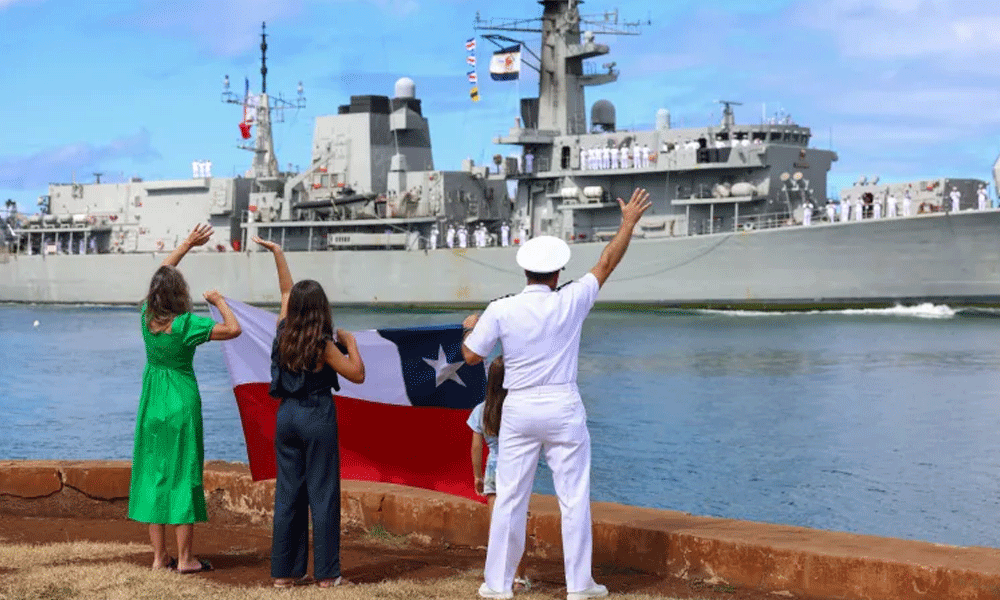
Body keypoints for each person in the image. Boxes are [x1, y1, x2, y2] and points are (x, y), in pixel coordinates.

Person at [462, 187, 652, 600]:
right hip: (563, 404)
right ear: (557, 273)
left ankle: (498, 585)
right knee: (573, 498)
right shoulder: (572, 299)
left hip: (520, 406)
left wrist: (470, 328)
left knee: (510, 498)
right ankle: (579, 585)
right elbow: (606, 262)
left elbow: (472, 357)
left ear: (525, 272)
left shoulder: (501, 309)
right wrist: (627, 224)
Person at [253, 236, 366, 589]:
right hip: (316, 415)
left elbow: (286, 293)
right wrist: (352, 343)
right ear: (321, 308)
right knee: (323, 493)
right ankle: (328, 575)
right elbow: (357, 375)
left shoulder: (283, 332)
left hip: (285, 416)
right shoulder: (323, 344)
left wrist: (278, 254)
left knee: (288, 494)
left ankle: (285, 573)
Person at [128, 224, 242, 573]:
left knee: (154, 475)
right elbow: (234, 329)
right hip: (181, 401)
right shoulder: (187, 324)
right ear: (180, 295)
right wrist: (220, 301)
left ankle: (159, 558)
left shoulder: (146, 316)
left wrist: (186, 244)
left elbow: (160, 275)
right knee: (184, 475)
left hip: (152, 403)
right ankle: (187, 559)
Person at [468, 356, 530, 591]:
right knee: (518, 525)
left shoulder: (481, 410)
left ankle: (496, 578)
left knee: (499, 526)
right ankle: (519, 578)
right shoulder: (518, 408)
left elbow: (476, 447)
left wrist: (477, 476)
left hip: (493, 470)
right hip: (516, 470)